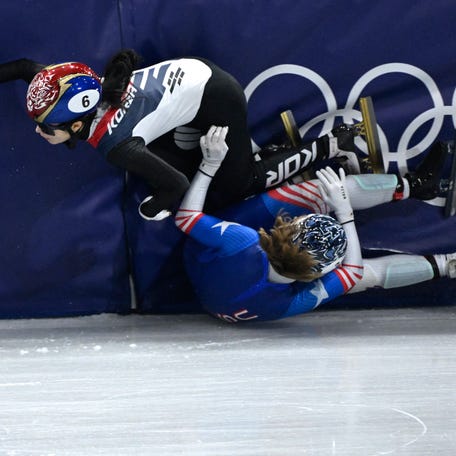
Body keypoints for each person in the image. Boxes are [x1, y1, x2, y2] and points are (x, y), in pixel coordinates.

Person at [0, 50, 395, 220]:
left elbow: (175, 185)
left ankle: (335, 142)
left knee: (237, 187)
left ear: (75, 125)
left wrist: (151, 209)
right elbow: (21, 68)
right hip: (190, 80)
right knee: (173, 155)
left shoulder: (113, 144)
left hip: (216, 96)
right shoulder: (69, 84)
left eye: (45, 126)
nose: (38, 130)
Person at [175, 126, 455, 323]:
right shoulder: (245, 242)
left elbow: (186, 218)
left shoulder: (244, 242)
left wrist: (209, 165)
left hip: (214, 276)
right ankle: (413, 187)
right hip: (228, 282)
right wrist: (342, 208)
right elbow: (352, 271)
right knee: (324, 196)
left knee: (358, 276)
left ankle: (447, 265)